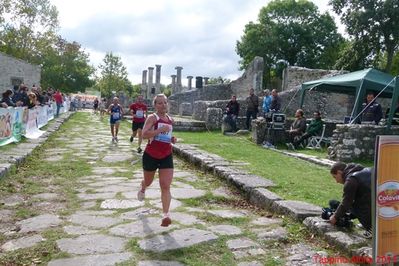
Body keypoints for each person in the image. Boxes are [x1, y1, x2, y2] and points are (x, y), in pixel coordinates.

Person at [137, 94, 176, 227]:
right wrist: (159, 130)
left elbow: (167, 135)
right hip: (151, 155)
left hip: (166, 155)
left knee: (165, 186)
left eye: (165, 102)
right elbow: (144, 134)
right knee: (148, 182)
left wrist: (172, 139)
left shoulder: (170, 119)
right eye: (160, 103)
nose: (163, 105)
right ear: (155, 105)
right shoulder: (152, 118)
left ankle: (166, 215)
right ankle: (143, 187)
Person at [329, 162, 372, 233]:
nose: (336, 181)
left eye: (335, 177)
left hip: (368, 207)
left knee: (352, 204)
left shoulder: (351, 180)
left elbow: (346, 202)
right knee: (335, 203)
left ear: (339, 172)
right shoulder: (363, 170)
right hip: (382, 201)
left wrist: (335, 217)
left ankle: (370, 229)